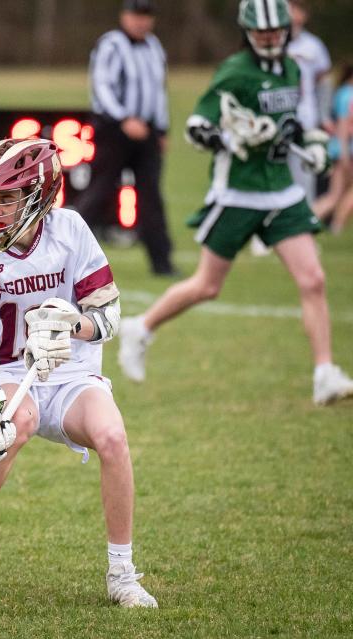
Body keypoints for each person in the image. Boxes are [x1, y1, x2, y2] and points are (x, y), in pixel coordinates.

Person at [0, 137, 158, 609]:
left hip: (71, 374)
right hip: (8, 369)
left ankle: (122, 572)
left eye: (7, 197)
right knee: (14, 424)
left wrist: (74, 324)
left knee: (112, 436)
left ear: (41, 195)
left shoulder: (70, 231)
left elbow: (107, 318)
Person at [118, 0, 353, 407]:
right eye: (262, 32)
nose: (269, 38)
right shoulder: (235, 72)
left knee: (313, 279)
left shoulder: (292, 69)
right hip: (239, 193)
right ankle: (141, 327)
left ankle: (324, 372)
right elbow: (198, 128)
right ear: (247, 32)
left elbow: (299, 124)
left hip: (282, 191)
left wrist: (312, 146)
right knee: (207, 286)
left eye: (275, 32)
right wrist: (234, 138)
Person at [76, 0, 176, 276]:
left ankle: (162, 262)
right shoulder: (110, 44)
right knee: (99, 192)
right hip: (113, 130)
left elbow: (159, 91)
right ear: (124, 16)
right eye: (136, 15)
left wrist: (162, 128)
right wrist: (122, 118)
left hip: (147, 133)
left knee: (151, 196)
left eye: (146, 16)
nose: (141, 21)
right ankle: (66, 252)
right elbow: (101, 85)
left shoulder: (155, 46)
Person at [286, 0, 333, 203]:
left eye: (298, 9)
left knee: (304, 179)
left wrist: (324, 115)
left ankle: (304, 225)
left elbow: (323, 81)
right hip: (277, 119)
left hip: (306, 120)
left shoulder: (313, 45)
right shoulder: (271, 43)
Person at [313, 64, 353, 232]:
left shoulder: (344, 92)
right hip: (345, 150)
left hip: (343, 149)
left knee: (337, 194)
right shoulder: (348, 95)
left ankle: (336, 226)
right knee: (334, 196)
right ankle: (301, 223)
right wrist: (344, 154)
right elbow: (343, 125)